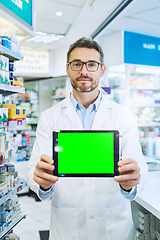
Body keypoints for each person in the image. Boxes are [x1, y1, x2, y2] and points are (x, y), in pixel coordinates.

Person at [28, 37, 148, 240]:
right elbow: (34, 170)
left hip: (114, 228)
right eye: (77, 64)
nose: (84, 71)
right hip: (67, 227)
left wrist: (131, 181)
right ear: (68, 69)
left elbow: (138, 166)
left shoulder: (122, 115)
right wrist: (42, 181)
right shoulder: (50, 117)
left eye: (92, 64)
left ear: (102, 70)